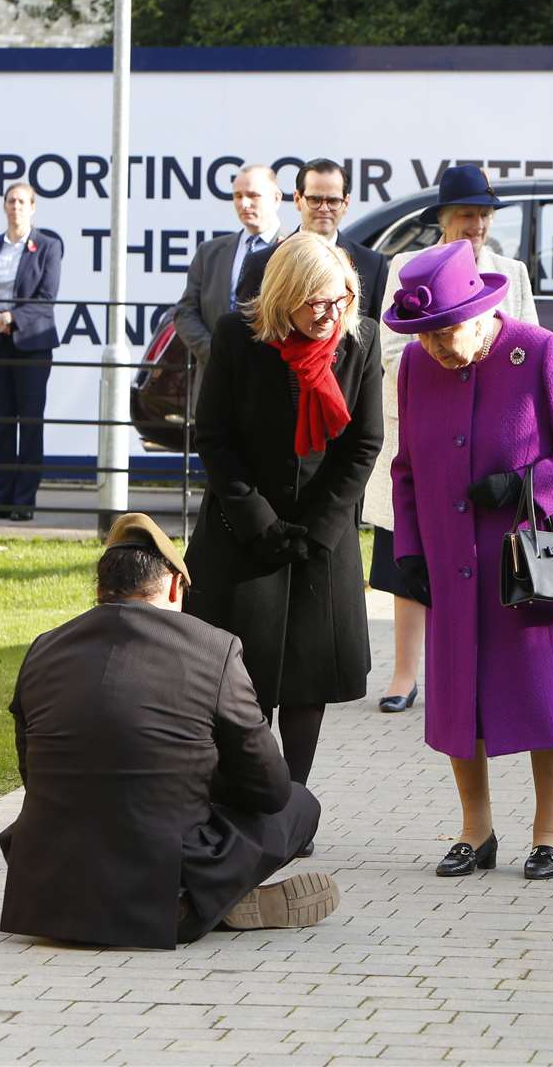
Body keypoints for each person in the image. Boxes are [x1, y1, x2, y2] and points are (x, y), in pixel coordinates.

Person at [0, 513, 339, 950]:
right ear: (175, 586)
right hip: (158, 895)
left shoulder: (44, 648)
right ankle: (210, 902)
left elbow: (33, 773)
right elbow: (269, 789)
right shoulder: (214, 648)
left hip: (47, 897)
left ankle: (203, 901)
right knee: (299, 803)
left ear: (102, 589)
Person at [388, 240, 553, 880]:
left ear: (480, 310)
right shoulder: (415, 365)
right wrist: (409, 549)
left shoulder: (542, 352)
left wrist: (527, 484)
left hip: (528, 560)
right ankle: (475, 829)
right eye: (423, 334)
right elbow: (406, 469)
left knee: (542, 693)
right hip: (451, 556)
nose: (434, 345)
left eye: (443, 331)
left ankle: (551, 829)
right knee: (461, 693)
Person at [181, 232, 382, 844]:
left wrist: (316, 531)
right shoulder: (238, 338)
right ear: (284, 297)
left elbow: (362, 444)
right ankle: (243, 802)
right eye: (317, 303)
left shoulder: (358, 338)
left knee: (305, 679)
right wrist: (259, 522)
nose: (330, 314)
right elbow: (214, 437)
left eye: (340, 299)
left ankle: (291, 814)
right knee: (242, 679)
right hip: (243, 531)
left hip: (321, 540)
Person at [364, 164, 538, 714]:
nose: (477, 225)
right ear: (443, 218)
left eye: (485, 214)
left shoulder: (511, 271)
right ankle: (403, 674)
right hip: (423, 433)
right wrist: (454, 362)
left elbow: (529, 347)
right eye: (467, 214)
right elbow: (391, 352)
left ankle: (475, 671)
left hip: (491, 445)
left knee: (486, 556)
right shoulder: (406, 268)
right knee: (407, 554)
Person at [0, 182, 62, 521]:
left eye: (22, 201)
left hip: (32, 344)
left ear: (33, 208)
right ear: (4, 206)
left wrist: (12, 317)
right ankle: (1, 498)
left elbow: (47, 299)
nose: (16, 206)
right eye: (11, 201)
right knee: (1, 421)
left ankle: (24, 501)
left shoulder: (47, 246)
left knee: (29, 422)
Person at [235, 159, 389, 324]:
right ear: (297, 199)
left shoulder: (372, 265)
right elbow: (246, 333)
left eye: (333, 201)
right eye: (315, 200)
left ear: (346, 203)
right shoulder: (261, 262)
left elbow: (378, 333)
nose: (324, 208)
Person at [172, 164, 288, 366]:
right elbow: (185, 312)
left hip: (270, 376)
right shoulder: (210, 253)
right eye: (237, 196)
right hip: (215, 378)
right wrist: (215, 352)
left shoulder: (295, 251)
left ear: (276, 198)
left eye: (253, 195)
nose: (244, 203)